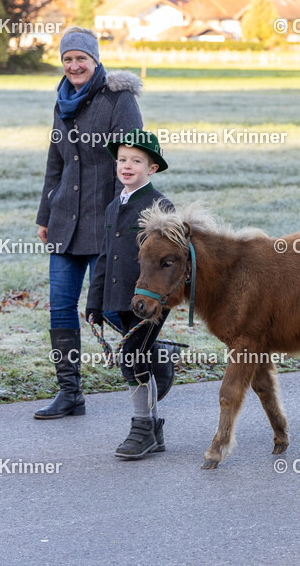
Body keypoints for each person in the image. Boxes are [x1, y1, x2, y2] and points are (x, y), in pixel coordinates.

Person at [34, 26, 143, 420]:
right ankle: (70, 393)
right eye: (67, 59)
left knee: (112, 311)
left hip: (105, 221)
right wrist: (45, 216)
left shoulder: (119, 99)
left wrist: (122, 218)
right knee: (61, 308)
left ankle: (153, 361)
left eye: (81, 58)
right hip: (64, 222)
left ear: (95, 60)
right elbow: (56, 162)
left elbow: (131, 162)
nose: (74, 65)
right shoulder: (62, 100)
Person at [85, 130, 173, 460]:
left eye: (136, 161)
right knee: (137, 357)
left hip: (150, 301)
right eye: (122, 159)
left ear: (152, 168)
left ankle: (143, 428)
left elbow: (170, 261)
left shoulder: (160, 206)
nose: (126, 165)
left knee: (132, 358)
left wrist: (160, 298)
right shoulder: (113, 206)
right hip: (118, 297)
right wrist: (94, 302)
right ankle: (153, 429)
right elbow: (104, 257)